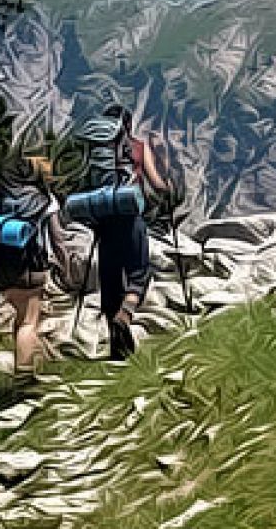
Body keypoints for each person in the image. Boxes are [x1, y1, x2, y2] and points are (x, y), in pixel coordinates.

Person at [0, 148, 69, 399]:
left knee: (19, 318)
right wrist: (67, 266)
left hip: (1, 272)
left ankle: (21, 370)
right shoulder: (42, 199)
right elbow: (58, 238)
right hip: (30, 268)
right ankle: (24, 380)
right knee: (29, 322)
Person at [80, 104, 169, 361]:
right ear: (127, 125)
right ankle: (125, 315)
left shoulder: (95, 151)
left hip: (104, 220)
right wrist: (164, 164)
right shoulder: (139, 147)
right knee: (139, 273)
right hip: (131, 218)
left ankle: (117, 349)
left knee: (110, 280)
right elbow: (158, 185)